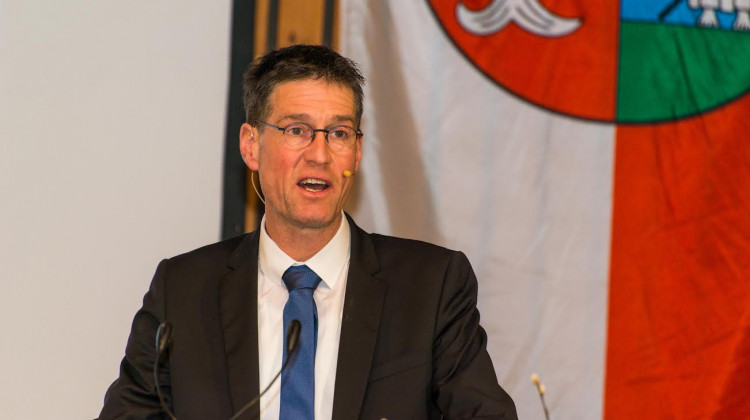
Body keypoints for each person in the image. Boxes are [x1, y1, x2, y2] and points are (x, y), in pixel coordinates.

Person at [99, 44, 517, 420]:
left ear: (356, 151)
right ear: (250, 145)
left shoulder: (430, 286)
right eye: (296, 130)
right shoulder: (183, 291)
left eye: (338, 134)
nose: (320, 155)